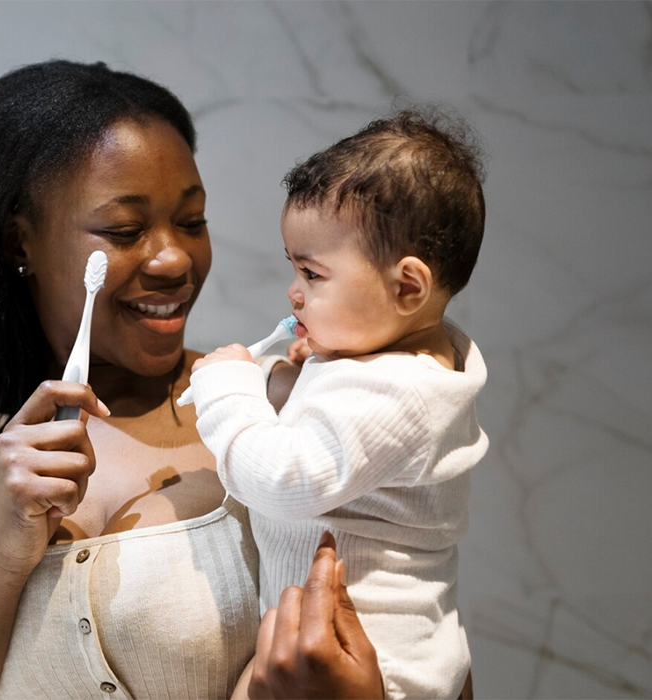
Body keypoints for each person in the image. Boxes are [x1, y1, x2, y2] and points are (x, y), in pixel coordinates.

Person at [0, 59, 390, 700]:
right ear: (20, 243)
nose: (174, 258)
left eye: (192, 221)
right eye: (125, 230)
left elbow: (424, 637)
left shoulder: (281, 412)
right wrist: (0, 564)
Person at [187, 109, 488, 699]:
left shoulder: (402, 393)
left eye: (312, 273)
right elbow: (331, 444)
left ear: (407, 288)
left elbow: (281, 478)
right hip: (344, 647)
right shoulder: (389, 364)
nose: (293, 291)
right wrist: (294, 383)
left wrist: (227, 390)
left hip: (375, 664)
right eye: (292, 267)